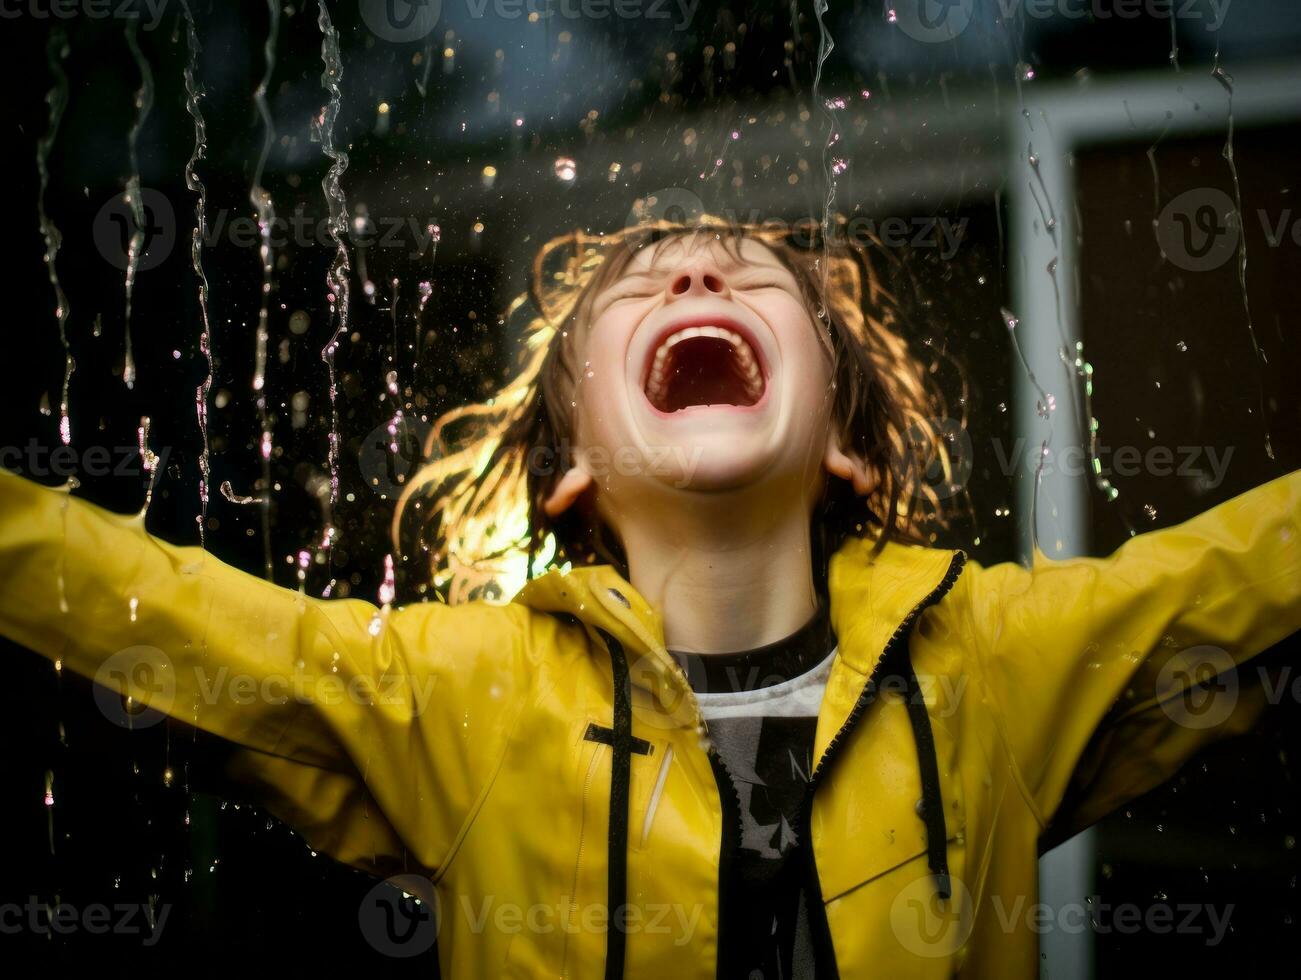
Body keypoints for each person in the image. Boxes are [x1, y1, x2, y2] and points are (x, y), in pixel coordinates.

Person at [1, 217, 1297, 979]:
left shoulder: (995, 660)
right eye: (645, 281)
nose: (690, 279)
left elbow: (1254, 575)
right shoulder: (457, 694)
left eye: (742, 275)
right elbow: (141, 606)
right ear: (570, 473)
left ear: (843, 444)